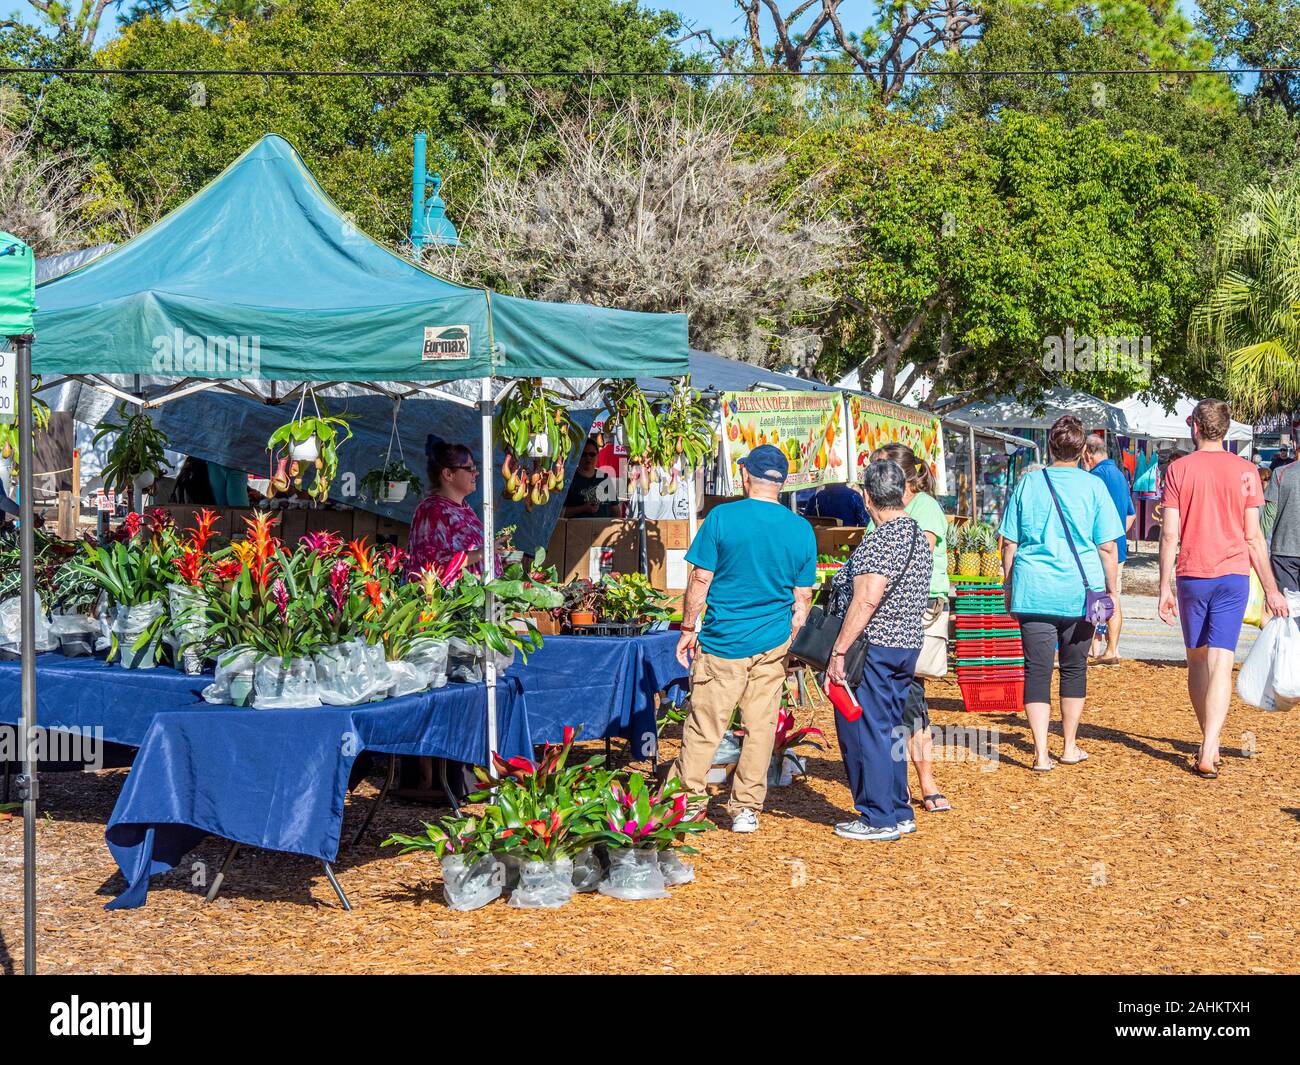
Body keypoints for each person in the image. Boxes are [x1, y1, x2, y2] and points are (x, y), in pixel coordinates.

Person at [670, 444, 816, 835]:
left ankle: (688, 802)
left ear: (746, 476)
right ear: (781, 484)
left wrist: (687, 629)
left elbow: (701, 579)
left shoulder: (721, 518)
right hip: (772, 643)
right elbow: (803, 598)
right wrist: (792, 637)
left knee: (705, 725)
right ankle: (746, 808)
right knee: (761, 726)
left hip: (722, 641)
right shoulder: (800, 528)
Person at [1157, 399, 1288, 779]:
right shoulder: (1247, 471)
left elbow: (1168, 534)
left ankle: (1207, 740)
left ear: (1195, 427)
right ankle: (1210, 744)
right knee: (1221, 662)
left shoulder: (1178, 469)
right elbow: (1254, 538)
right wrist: (1272, 588)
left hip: (1192, 574)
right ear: (1225, 429)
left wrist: (1163, 586)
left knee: (1197, 660)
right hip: (1233, 575)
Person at [998, 415, 1123, 772]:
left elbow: (1009, 542)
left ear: (1050, 445)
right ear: (1083, 450)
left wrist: (1009, 585)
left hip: (1034, 589)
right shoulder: (1094, 488)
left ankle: (1039, 753)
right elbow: (1107, 547)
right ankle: (1068, 745)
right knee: (1074, 668)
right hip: (1080, 592)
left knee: (1036, 670)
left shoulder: (1028, 484)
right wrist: (1111, 591)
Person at [826, 459, 932, 841]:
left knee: (868, 729)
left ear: (868, 497)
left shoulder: (881, 538)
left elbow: (866, 600)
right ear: (903, 492)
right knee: (891, 729)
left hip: (875, 646)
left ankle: (877, 817)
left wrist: (839, 650)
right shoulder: (917, 535)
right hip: (906, 644)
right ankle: (898, 810)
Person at [870, 442, 951, 814]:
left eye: (878, 471)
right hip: (896, 611)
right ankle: (900, 778)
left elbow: (912, 557)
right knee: (901, 698)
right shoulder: (891, 509)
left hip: (917, 610)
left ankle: (925, 780)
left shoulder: (925, 508)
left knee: (911, 698)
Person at [406, 436, 503, 579]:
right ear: (448, 474)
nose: (476, 473)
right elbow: (431, 565)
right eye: (469, 468)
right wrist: (484, 552)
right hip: (452, 600)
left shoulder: (464, 508)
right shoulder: (432, 510)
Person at [1080, 434, 1136, 664]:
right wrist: (1116, 535)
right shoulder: (1120, 475)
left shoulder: (1095, 477)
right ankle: (1110, 649)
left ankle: (1100, 649)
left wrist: (1104, 536)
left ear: (1087, 455)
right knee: (1112, 596)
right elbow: (1131, 515)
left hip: (1099, 549)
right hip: (1117, 548)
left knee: (1096, 597)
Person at [1262, 455, 1300, 588]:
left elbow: (1269, 515)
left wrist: (1259, 550)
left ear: (1295, 445)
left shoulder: (1281, 472)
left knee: (1288, 606)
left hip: (1285, 550)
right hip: (1284, 552)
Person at [563, 437, 617, 518]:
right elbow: (559, 513)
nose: (588, 458)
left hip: (603, 529)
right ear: (578, 456)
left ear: (597, 456)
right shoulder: (569, 479)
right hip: (576, 529)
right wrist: (583, 508)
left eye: (592, 454)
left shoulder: (604, 478)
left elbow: (616, 510)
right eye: (584, 454)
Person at [804, 481, 869, 526]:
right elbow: (864, 522)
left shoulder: (815, 497)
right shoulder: (854, 495)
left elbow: (807, 521)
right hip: (849, 542)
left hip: (823, 543)